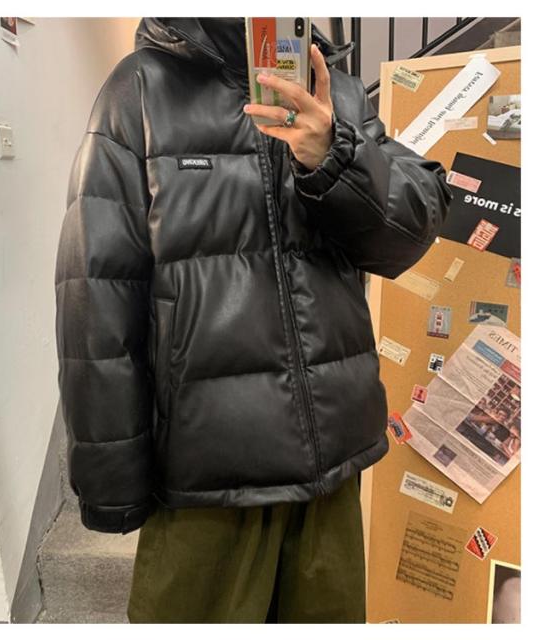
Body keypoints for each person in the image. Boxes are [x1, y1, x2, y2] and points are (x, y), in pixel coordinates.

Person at [54, 17, 452, 623]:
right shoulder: (141, 90)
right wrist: (112, 479)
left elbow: (411, 228)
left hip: (331, 468)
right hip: (208, 477)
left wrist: (333, 156)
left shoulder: (335, 91)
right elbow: (97, 292)